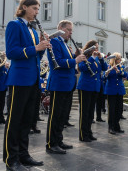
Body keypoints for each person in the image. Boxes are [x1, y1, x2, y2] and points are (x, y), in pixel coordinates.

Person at [3, 0, 50, 170]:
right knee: (14, 120)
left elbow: (35, 56)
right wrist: (36, 47)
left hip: (33, 80)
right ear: (24, 7)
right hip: (19, 79)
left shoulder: (31, 30)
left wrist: (42, 47)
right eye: (35, 8)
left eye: (38, 9)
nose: (37, 12)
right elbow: (12, 52)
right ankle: (11, 159)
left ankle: (23, 155)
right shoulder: (14, 25)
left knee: (26, 121)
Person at [45, 20, 86, 154]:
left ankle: (59, 140)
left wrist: (74, 55)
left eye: (71, 30)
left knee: (63, 115)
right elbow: (57, 62)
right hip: (59, 83)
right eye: (68, 30)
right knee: (55, 115)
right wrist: (75, 60)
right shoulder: (55, 41)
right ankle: (51, 143)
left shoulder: (64, 44)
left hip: (67, 83)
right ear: (61, 29)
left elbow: (66, 61)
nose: (71, 32)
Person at [77, 40, 107, 142]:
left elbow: (105, 68)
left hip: (95, 87)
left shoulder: (97, 59)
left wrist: (101, 58)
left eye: (98, 48)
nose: (97, 50)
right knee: (84, 112)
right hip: (85, 86)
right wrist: (92, 58)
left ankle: (89, 133)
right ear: (90, 48)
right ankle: (83, 134)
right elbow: (81, 68)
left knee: (90, 112)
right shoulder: (84, 56)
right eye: (95, 48)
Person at [104, 52, 127, 134]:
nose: (120, 60)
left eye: (120, 58)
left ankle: (117, 126)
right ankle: (111, 127)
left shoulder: (121, 67)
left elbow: (125, 75)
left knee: (119, 109)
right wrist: (108, 72)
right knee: (112, 110)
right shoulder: (108, 66)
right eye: (118, 59)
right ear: (114, 59)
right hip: (111, 90)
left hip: (119, 90)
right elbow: (104, 76)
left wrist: (118, 71)